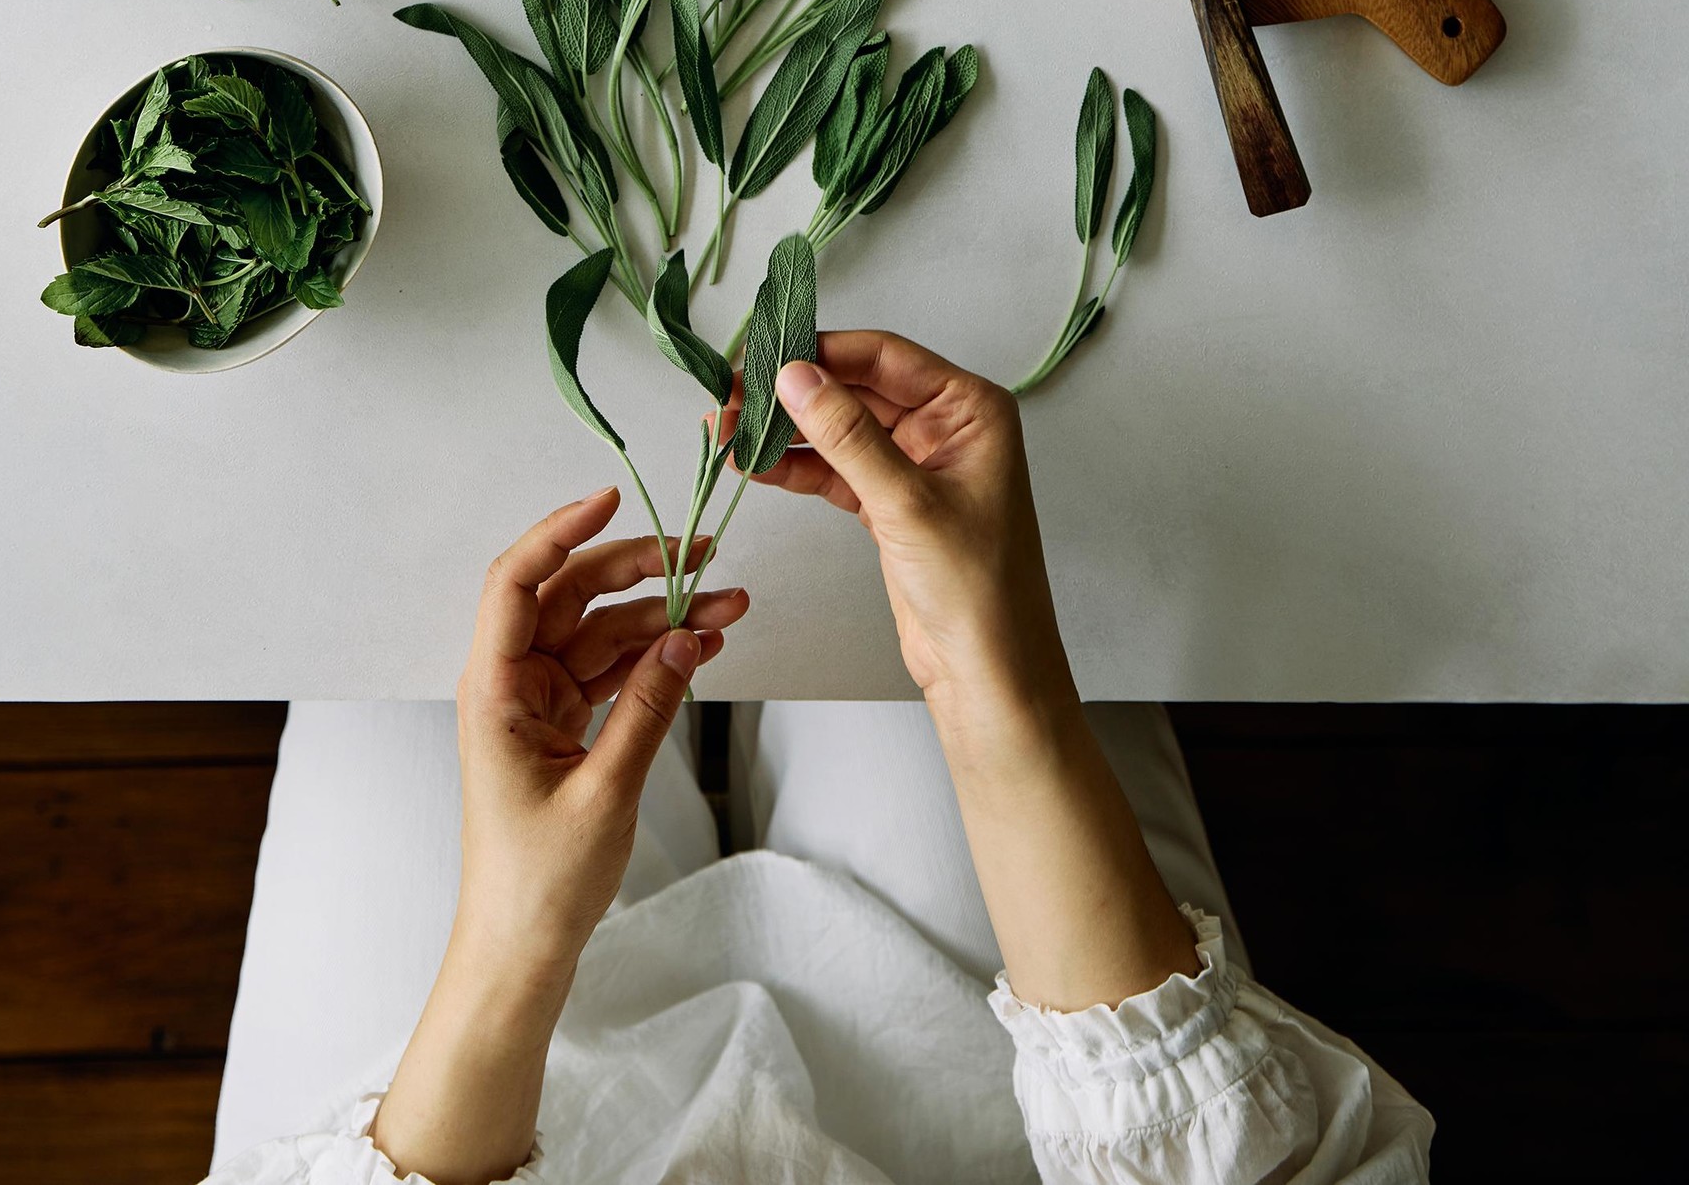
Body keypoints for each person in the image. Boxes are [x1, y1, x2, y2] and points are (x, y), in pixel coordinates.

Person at [209, 333, 1432, 1183]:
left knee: (402, 666)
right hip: (982, 1122)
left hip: (456, 1134)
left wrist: (514, 933)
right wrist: (994, 692)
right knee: (892, 650)